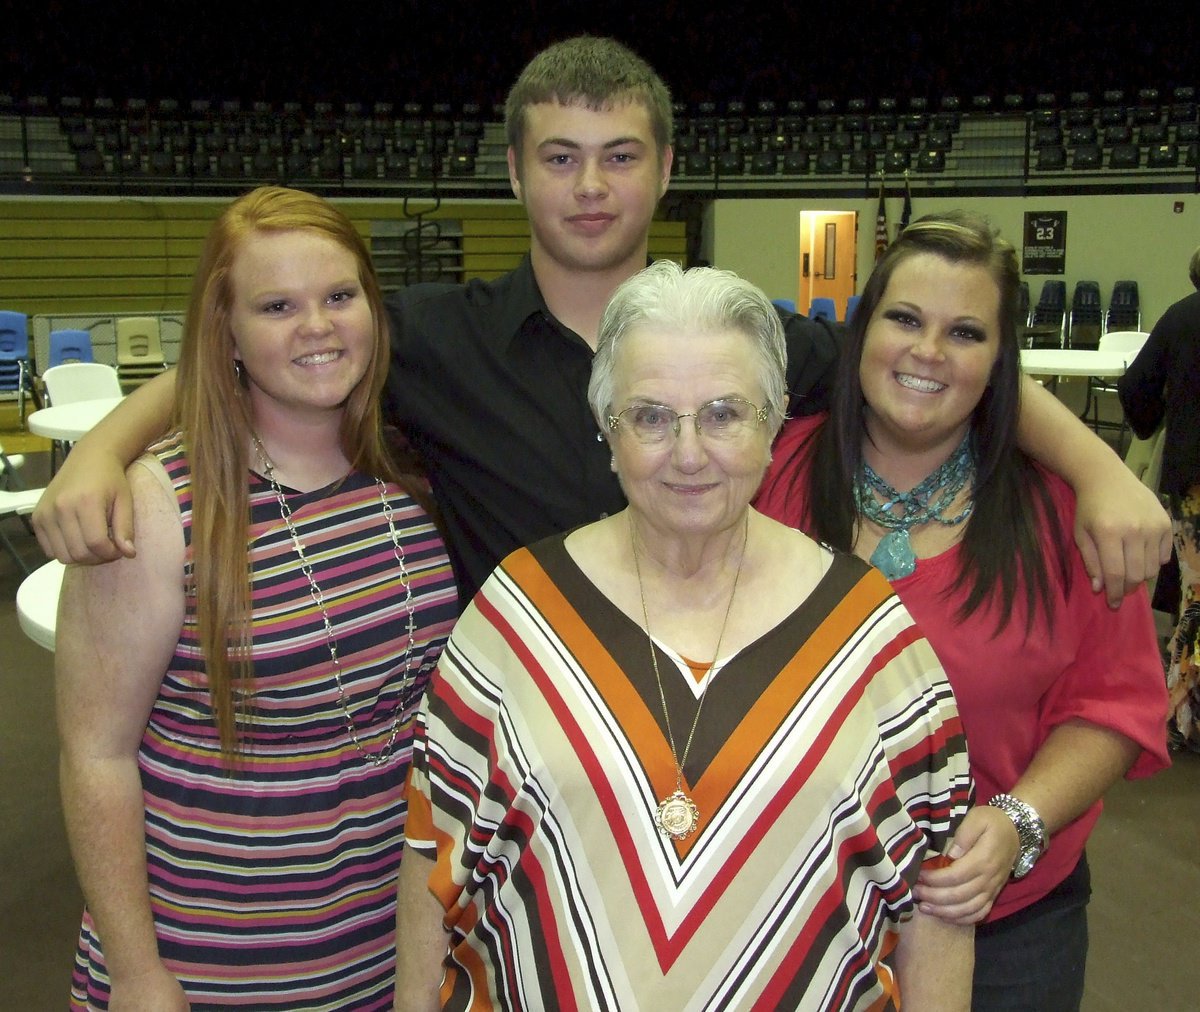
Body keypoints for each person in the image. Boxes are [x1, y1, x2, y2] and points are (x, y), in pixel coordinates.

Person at [32, 36, 1169, 611]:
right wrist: (102, 446)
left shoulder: (740, 334)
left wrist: (1105, 473)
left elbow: (932, 374)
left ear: (665, 170)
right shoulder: (427, 335)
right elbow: (251, 361)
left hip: (714, 727)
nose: (591, 187)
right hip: (523, 727)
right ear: (517, 172)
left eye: (621, 157)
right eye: (561, 158)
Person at [395, 261, 974, 1010]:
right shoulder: (516, 611)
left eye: (725, 413)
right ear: (608, 430)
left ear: (773, 425)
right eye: (652, 417)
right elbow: (426, 855)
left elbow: (938, 895)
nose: (690, 452)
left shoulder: (868, 629)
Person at [755, 211, 1170, 1011]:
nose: (928, 353)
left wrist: (1021, 819)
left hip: (1005, 931)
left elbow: (1115, 707)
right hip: (792, 915)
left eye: (966, 332)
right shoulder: (767, 477)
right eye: (904, 318)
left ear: (1000, 362)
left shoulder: (1067, 512)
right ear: (860, 330)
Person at [56, 187, 458, 1010]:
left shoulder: (407, 470)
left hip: (381, 949)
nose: (317, 326)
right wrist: (136, 973)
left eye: (339, 296)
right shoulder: (162, 506)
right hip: (211, 960)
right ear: (227, 332)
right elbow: (95, 756)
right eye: (277, 306)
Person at [1119, 246, 1200, 750]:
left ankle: (1182, 716)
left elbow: (1137, 387)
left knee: (1197, 600)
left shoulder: (1183, 316)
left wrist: (1156, 421)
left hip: (1194, 479)